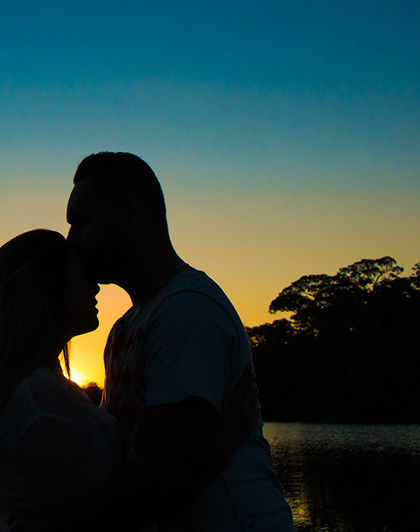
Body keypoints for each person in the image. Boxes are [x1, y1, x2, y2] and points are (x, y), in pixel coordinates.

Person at [0, 229, 255, 531]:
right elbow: (127, 510)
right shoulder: (36, 400)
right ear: (47, 289)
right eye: (82, 275)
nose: (96, 287)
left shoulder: (42, 391)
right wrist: (228, 435)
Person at [64, 152, 294, 532]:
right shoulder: (125, 328)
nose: (72, 240)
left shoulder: (186, 309)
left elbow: (170, 473)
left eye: (82, 221)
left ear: (131, 213)